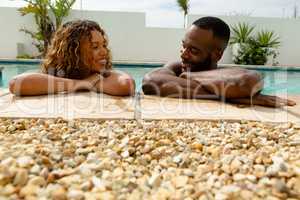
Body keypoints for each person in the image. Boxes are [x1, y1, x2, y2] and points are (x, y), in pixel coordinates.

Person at [142, 16, 296, 107]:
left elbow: (248, 82)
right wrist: (233, 97)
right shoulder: (176, 67)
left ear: (217, 55)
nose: (184, 55)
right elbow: (150, 82)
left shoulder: (229, 72)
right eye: (184, 46)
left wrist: (189, 77)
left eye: (194, 50)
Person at [9, 20, 135, 96]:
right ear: (74, 52)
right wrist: (81, 84)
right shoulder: (59, 73)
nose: (104, 52)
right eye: (95, 47)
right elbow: (16, 84)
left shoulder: (101, 75)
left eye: (104, 45)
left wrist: (92, 82)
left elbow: (126, 84)